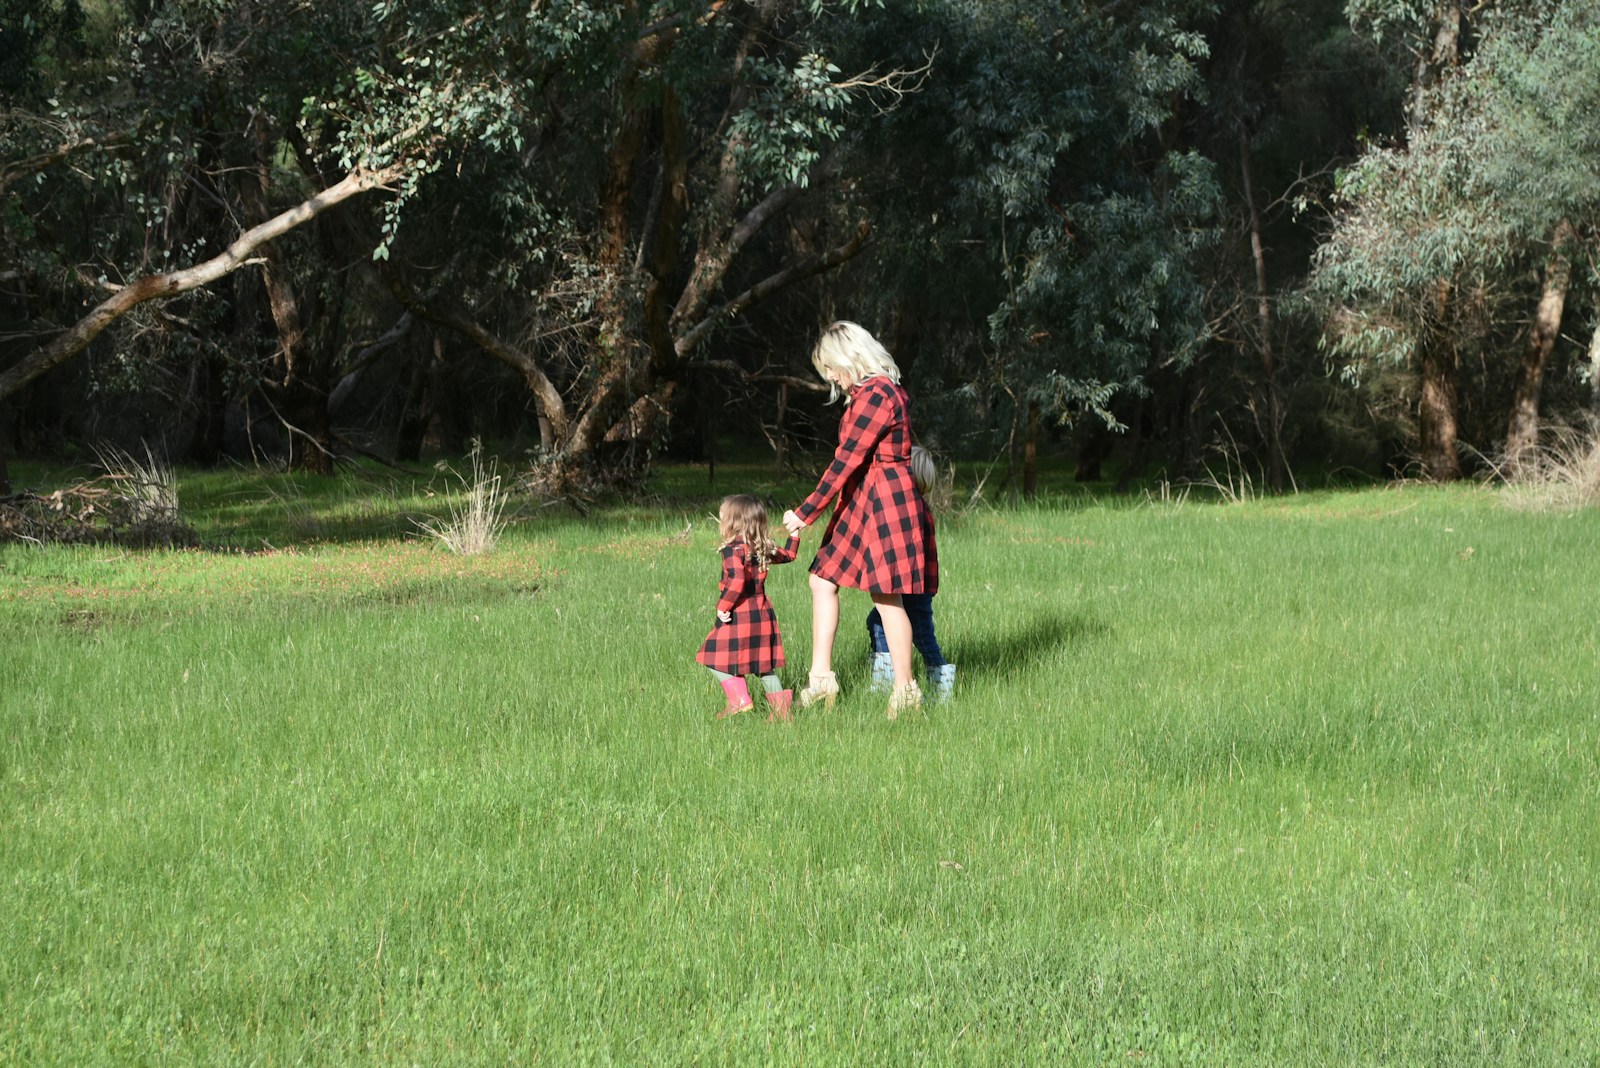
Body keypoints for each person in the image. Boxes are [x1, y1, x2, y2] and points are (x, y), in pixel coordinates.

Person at [783, 321, 937, 718]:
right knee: (822, 578)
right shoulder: (868, 393)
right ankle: (821, 681)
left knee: (887, 595)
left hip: (886, 501)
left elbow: (846, 460)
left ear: (849, 358)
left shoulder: (878, 394)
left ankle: (905, 692)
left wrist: (806, 512)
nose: (831, 377)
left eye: (831, 368)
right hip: (863, 499)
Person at [696, 494, 801, 722]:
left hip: (739, 614)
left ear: (733, 521)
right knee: (764, 666)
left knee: (710, 656)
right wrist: (794, 534)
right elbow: (789, 555)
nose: (720, 520)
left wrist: (723, 606)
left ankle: (739, 700)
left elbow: (736, 581)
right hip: (762, 614)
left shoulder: (732, 550)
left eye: (722, 516)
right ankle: (782, 713)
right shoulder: (761, 547)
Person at [865, 445, 954, 700]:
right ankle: (885, 680)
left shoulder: (912, 510)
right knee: (878, 623)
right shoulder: (914, 507)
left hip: (916, 586)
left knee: (924, 637)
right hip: (906, 583)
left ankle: (942, 690)